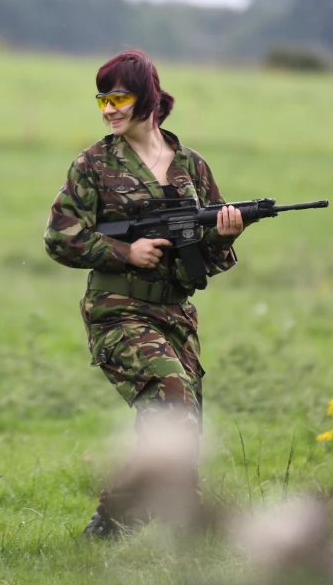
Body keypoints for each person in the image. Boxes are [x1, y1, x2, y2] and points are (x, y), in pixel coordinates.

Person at [44, 49, 244, 537]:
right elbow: (59, 238)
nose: (109, 108)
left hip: (175, 313)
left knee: (182, 423)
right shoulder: (93, 164)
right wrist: (124, 253)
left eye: (119, 97)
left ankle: (114, 522)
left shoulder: (192, 167)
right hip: (117, 311)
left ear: (147, 98)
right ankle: (189, 526)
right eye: (102, 99)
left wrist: (224, 236)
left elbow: (207, 262)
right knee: (172, 402)